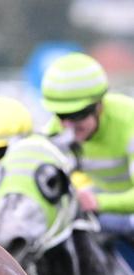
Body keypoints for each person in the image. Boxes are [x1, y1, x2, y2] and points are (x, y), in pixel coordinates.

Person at [41, 52, 134, 235]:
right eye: (61, 115)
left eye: (76, 115)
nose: (67, 126)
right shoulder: (55, 129)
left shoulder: (129, 122)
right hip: (100, 203)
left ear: (99, 106)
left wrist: (98, 202)